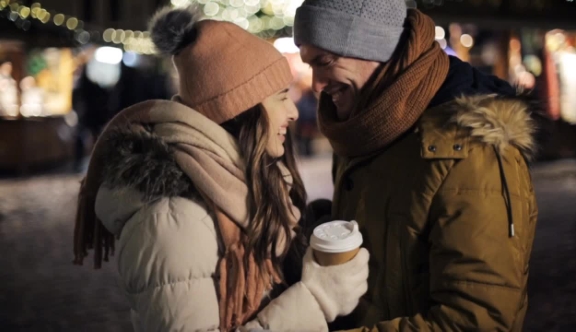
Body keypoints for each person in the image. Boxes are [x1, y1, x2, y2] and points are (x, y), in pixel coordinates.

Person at [72, 6, 369, 332]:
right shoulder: (172, 220)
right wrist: (316, 299)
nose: (293, 112)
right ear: (243, 108)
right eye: (281, 97)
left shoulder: (242, 185)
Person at [293, 0, 538, 331]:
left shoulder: (471, 151)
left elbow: (476, 320)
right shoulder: (362, 131)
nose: (317, 84)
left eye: (324, 62)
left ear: (373, 47)